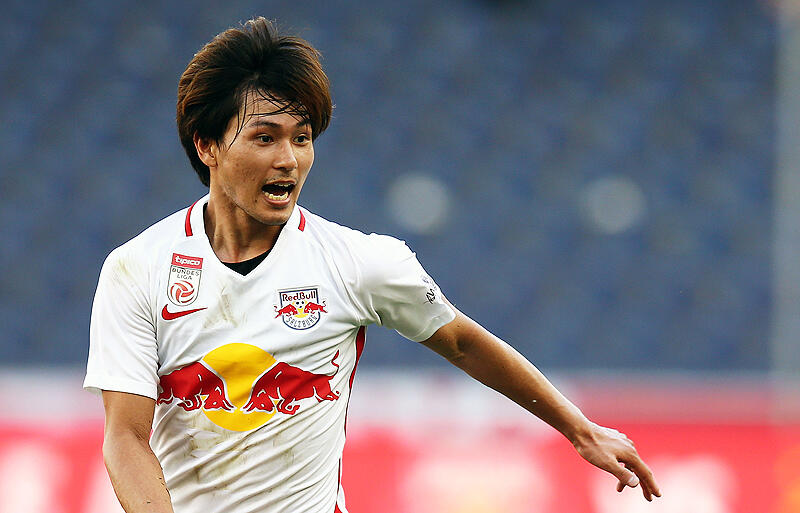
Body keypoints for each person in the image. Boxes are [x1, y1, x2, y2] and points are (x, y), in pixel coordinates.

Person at [84, 17, 661, 513]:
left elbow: (463, 342)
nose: (288, 160)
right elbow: (126, 438)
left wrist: (579, 429)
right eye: (264, 138)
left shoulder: (358, 264)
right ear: (207, 145)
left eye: (302, 138)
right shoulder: (139, 270)